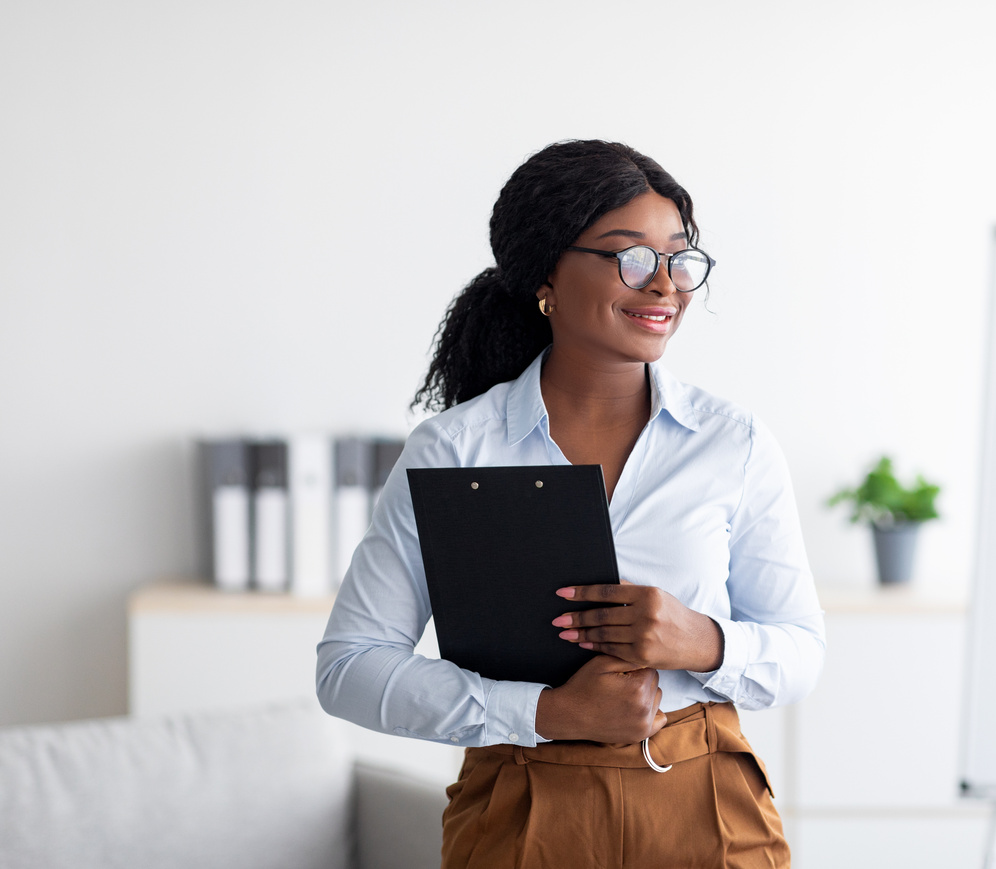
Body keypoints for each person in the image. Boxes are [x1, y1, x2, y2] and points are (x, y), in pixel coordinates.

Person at [316, 140, 825, 869]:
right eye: (632, 256)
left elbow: (802, 650)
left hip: (707, 809)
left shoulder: (733, 444)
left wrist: (702, 640)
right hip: (522, 812)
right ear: (546, 273)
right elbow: (349, 666)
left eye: (679, 258)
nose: (665, 287)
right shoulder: (454, 450)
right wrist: (546, 713)